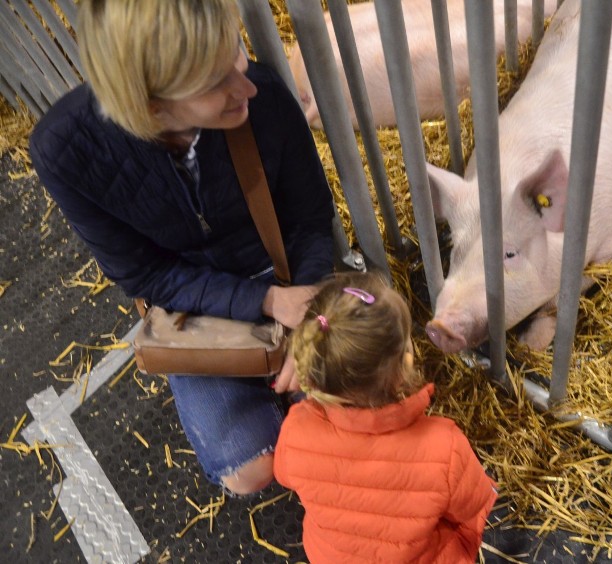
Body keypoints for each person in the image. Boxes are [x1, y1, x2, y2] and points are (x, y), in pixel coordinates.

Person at [28, 0, 334, 494]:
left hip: (284, 270)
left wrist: (308, 304)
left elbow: (311, 218)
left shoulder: (266, 98)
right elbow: (144, 274)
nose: (247, 85)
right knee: (252, 472)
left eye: (234, 48)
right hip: (194, 305)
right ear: (152, 106)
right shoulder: (65, 151)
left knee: (341, 412)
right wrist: (265, 303)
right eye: (216, 83)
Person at [273, 272, 498, 563]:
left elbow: (284, 475)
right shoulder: (444, 445)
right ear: (406, 362)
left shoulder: (295, 429)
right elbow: (472, 503)